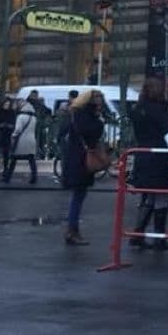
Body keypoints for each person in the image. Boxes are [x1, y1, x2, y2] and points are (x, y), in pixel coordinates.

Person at [129, 77, 168, 251]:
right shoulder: (159, 109)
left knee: (148, 196)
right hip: (159, 156)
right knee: (161, 195)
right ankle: (159, 237)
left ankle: (138, 233)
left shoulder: (137, 109)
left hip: (142, 154)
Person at [60, 89, 107, 246]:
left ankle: (72, 230)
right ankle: (72, 231)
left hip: (76, 158)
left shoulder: (77, 114)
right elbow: (91, 133)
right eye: (97, 99)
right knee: (78, 197)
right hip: (80, 160)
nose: (100, 102)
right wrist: (100, 121)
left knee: (78, 196)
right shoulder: (85, 116)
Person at [2, 98, 39, 184]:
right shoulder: (34, 117)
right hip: (31, 139)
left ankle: (7, 178)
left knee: (14, 159)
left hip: (21, 140)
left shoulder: (21, 117)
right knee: (31, 159)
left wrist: (13, 135)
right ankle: (34, 177)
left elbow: (18, 129)